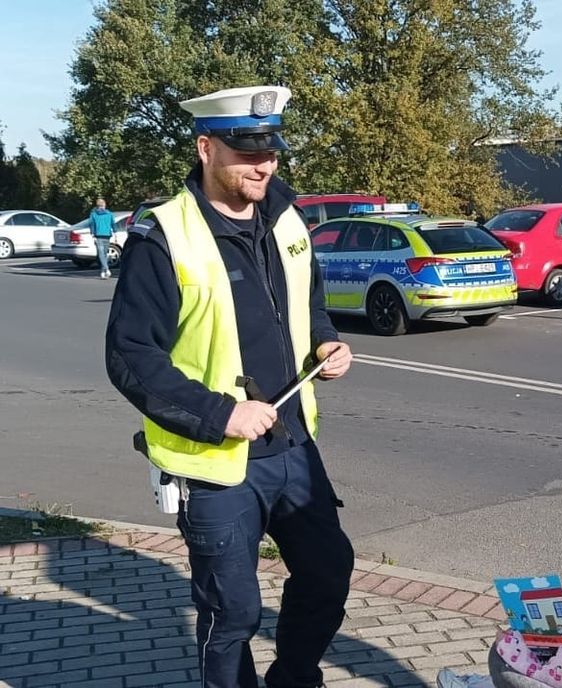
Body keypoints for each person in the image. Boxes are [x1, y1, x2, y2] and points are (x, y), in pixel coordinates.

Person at [105, 85, 355, 688]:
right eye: (246, 151)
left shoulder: (287, 219)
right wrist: (222, 414)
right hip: (215, 463)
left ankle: (293, 679)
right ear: (206, 147)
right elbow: (130, 356)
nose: (263, 164)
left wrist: (325, 341)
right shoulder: (164, 236)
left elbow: (310, 304)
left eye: (269, 150)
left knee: (328, 573)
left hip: (293, 446)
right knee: (234, 612)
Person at [89, 197, 116, 278]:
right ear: (104, 205)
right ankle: (103, 271)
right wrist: (115, 233)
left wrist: (92, 234)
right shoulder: (110, 214)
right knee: (104, 254)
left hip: (98, 235)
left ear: (97, 206)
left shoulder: (93, 214)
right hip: (107, 235)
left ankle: (106, 269)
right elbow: (113, 224)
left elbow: (91, 224)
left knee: (101, 254)